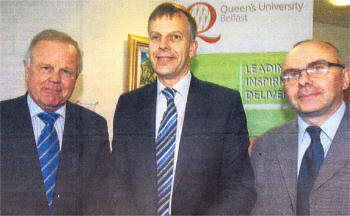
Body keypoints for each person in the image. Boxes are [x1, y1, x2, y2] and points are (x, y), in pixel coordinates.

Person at [109, 2, 256, 215]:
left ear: (192, 48)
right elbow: (117, 183)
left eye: (175, 37)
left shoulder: (224, 105)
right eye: (156, 37)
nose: (163, 45)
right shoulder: (129, 106)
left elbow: (240, 188)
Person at [0, 29, 110, 215]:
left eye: (66, 71)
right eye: (46, 68)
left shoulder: (94, 127)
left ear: (76, 78)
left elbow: (102, 203)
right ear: (27, 70)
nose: (55, 79)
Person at [251, 41, 350, 215]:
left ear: (345, 78)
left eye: (318, 68)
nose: (304, 81)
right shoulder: (266, 146)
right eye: (292, 75)